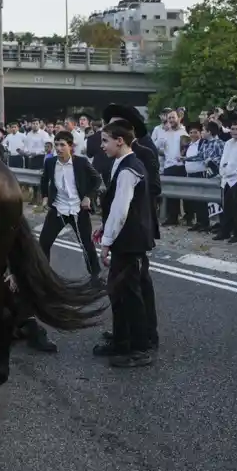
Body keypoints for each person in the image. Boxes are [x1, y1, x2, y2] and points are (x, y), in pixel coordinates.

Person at [93, 120, 157, 368]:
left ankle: (140, 348)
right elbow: (116, 207)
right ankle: (121, 340)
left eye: (105, 141)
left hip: (130, 241)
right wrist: (104, 228)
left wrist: (107, 241)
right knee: (118, 292)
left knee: (130, 295)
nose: (102, 146)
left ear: (120, 140)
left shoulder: (130, 167)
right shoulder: (121, 164)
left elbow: (122, 209)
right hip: (125, 238)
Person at [38, 131, 102, 281]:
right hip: (58, 209)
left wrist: (88, 197)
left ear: (71, 146)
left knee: (87, 246)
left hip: (77, 210)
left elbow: (97, 180)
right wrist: (45, 197)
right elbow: (43, 180)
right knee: (43, 244)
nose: (59, 148)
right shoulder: (50, 162)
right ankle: (44, 277)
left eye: (62, 145)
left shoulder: (81, 162)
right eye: (56, 145)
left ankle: (96, 277)